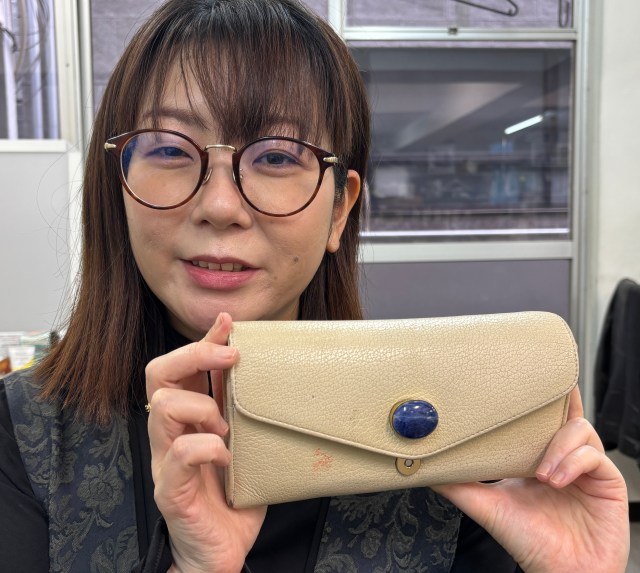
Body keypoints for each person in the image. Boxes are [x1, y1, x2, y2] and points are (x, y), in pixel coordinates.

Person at [0, 0, 630, 571]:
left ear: (339, 210)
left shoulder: (449, 435)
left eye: (277, 156)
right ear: (118, 183)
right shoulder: (25, 434)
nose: (220, 206)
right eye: (169, 149)